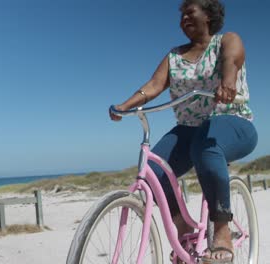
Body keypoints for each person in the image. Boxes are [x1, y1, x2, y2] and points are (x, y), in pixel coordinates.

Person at [110, 0, 257, 263]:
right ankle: (184, 229)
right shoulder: (174, 56)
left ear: (209, 15)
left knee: (206, 147)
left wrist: (228, 82)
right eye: (181, 15)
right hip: (189, 129)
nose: (184, 18)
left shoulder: (227, 40)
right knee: (154, 172)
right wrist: (125, 105)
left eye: (190, 12)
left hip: (232, 120)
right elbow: (154, 86)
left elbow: (231, 60)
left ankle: (222, 230)